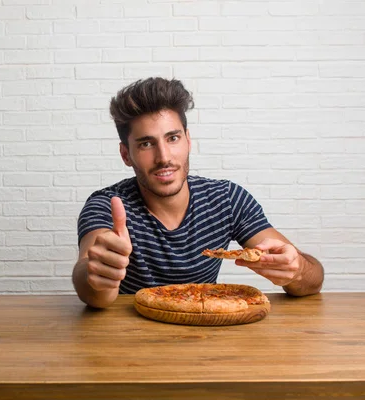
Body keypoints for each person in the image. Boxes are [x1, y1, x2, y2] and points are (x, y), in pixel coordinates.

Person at [72, 77, 324, 309]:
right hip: (128, 342)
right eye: (146, 144)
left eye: (172, 138)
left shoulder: (227, 199)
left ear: (188, 140)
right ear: (126, 154)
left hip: (205, 338)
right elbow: (90, 284)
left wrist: (297, 270)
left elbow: (313, 279)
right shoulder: (106, 204)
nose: (164, 157)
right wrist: (100, 277)